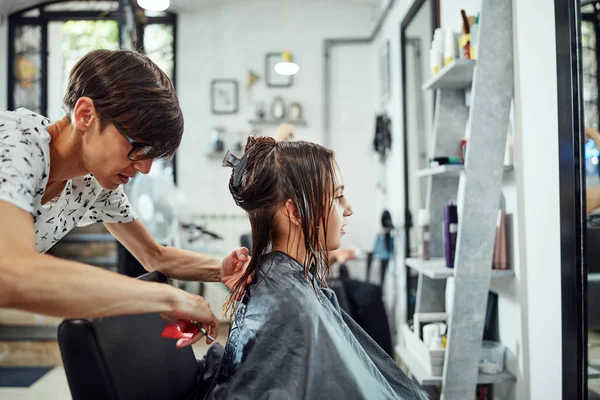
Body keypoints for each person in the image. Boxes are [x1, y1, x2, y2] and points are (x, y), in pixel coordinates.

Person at [0, 49, 251, 347]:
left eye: (151, 158)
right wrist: (166, 298)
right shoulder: (15, 142)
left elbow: (153, 255)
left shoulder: (92, 183)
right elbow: (12, 272)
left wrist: (220, 269)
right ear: (86, 115)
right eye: (137, 149)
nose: (144, 168)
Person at [203, 136, 426, 399]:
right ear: (296, 212)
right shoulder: (287, 306)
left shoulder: (289, 284)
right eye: (338, 197)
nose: (348, 209)